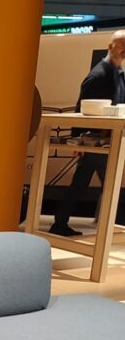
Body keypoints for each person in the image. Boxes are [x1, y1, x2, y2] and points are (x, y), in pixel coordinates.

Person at [50, 29, 125, 237]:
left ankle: (61, 223)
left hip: (103, 140)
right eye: (121, 44)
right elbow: (81, 107)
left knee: (81, 185)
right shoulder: (99, 75)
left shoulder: (116, 73)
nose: (124, 48)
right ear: (110, 46)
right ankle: (110, 226)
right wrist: (78, 141)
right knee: (111, 185)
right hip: (97, 141)